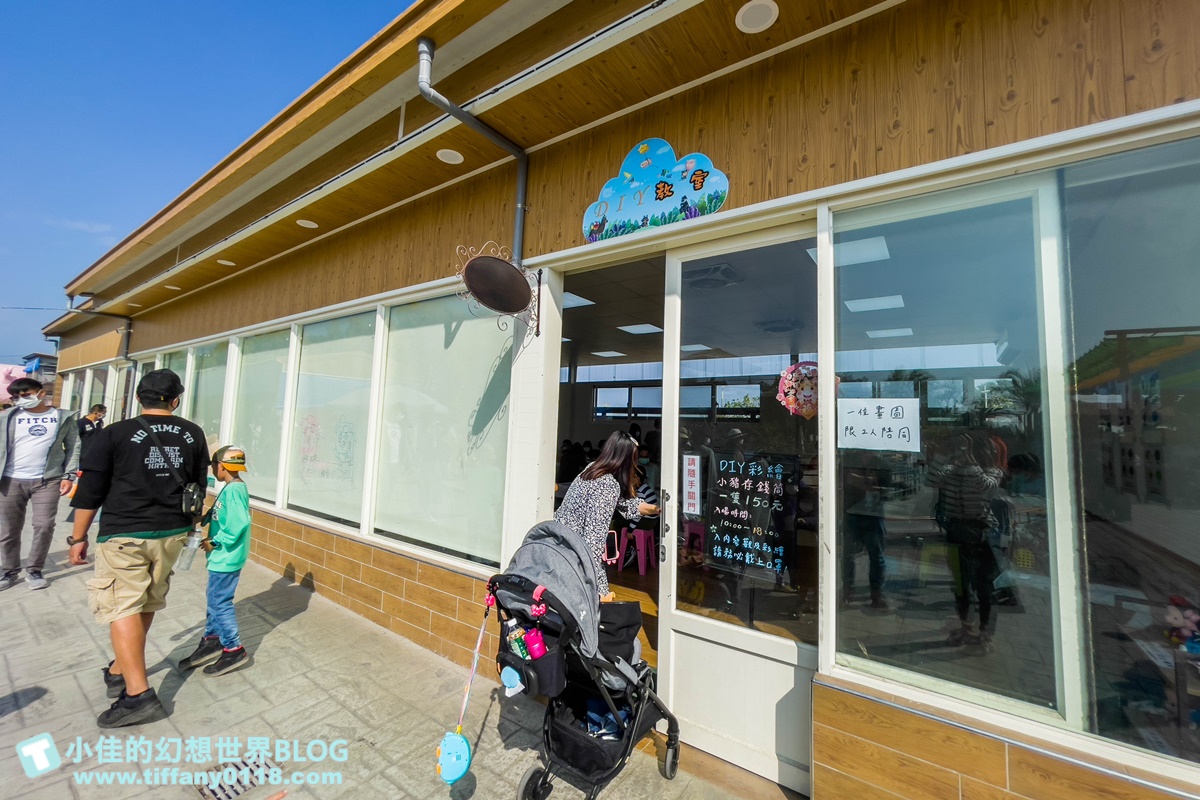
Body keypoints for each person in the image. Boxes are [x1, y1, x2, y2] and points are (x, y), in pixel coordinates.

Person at [68, 369, 209, 727]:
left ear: (138, 399)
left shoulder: (114, 433)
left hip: (125, 534)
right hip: (172, 532)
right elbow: (199, 483)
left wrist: (78, 538)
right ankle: (120, 669)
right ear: (175, 400)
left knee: (122, 606)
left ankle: (138, 695)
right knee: (143, 601)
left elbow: (90, 491)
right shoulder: (192, 433)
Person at [554, 431, 658, 599]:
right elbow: (593, 544)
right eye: (635, 458)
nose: (636, 463)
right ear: (625, 459)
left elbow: (624, 503)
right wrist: (602, 591)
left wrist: (655, 509)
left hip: (560, 545)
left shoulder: (593, 469)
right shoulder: (607, 485)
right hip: (574, 556)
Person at [0, 378, 80, 591]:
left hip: (47, 480)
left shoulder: (62, 417)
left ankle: (34, 569)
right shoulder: (8, 417)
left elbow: (74, 446)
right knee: (8, 528)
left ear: (41, 393)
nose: (21, 399)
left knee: (44, 525)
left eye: (26, 394)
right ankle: (8, 570)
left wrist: (69, 475)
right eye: (16, 396)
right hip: (10, 479)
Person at [927, 433, 1004, 653]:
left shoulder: (993, 472)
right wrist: (942, 453)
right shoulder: (952, 471)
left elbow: (985, 487)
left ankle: (985, 633)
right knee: (961, 585)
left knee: (984, 587)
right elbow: (930, 480)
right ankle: (966, 627)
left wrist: (969, 463)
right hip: (956, 532)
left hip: (982, 534)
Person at [180, 446, 252, 676]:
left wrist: (216, 541)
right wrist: (204, 518)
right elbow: (223, 513)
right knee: (213, 597)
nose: (212, 469)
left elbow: (238, 523)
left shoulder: (235, 490)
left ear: (221, 466)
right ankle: (212, 639)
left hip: (227, 555)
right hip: (222, 556)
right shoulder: (229, 488)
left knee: (221, 601)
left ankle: (233, 648)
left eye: (213, 465)